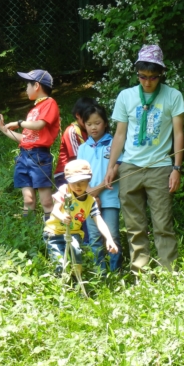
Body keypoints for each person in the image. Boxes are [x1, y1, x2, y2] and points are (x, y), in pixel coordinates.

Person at [104, 45, 184, 273]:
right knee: (134, 225)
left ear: (161, 74)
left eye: (153, 77)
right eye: (143, 76)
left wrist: (176, 168)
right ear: (137, 72)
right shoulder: (126, 96)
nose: (147, 82)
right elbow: (120, 134)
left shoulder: (173, 96)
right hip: (129, 167)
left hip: (160, 168)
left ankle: (169, 273)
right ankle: (140, 273)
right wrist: (112, 166)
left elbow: (179, 133)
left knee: (162, 224)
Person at [0, 70, 60, 222]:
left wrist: (18, 123)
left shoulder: (49, 103)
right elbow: (25, 138)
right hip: (24, 156)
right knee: (28, 200)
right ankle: (28, 232)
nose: (26, 88)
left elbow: (39, 125)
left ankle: (50, 233)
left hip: (39, 156)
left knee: (46, 201)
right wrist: (3, 129)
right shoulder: (33, 110)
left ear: (36, 85)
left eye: (27, 85)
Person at [43, 159, 119, 277]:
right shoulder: (65, 190)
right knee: (59, 261)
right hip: (54, 233)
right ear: (68, 181)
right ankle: (60, 284)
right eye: (73, 182)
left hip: (74, 234)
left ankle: (76, 281)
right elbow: (55, 210)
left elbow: (99, 221)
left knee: (76, 256)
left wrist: (109, 238)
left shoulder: (90, 201)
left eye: (82, 181)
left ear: (89, 180)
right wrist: (63, 217)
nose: (78, 186)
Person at [77, 104, 123, 273]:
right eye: (89, 124)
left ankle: (116, 272)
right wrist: (90, 192)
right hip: (89, 200)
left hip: (110, 198)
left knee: (113, 235)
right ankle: (100, 273)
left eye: (97, 123)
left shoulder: (114, 144)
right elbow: (80, 176)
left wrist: (98, 189)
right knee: (95, 238)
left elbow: (116, 169)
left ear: (105, 123)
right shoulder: (82, 148)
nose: (93, 127)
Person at [53, 97, 96, 188]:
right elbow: (77, 160)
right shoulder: (72, 131)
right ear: (78, 115)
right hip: (66, 174)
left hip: (83, 171)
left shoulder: (90, 130)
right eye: (87, 117)